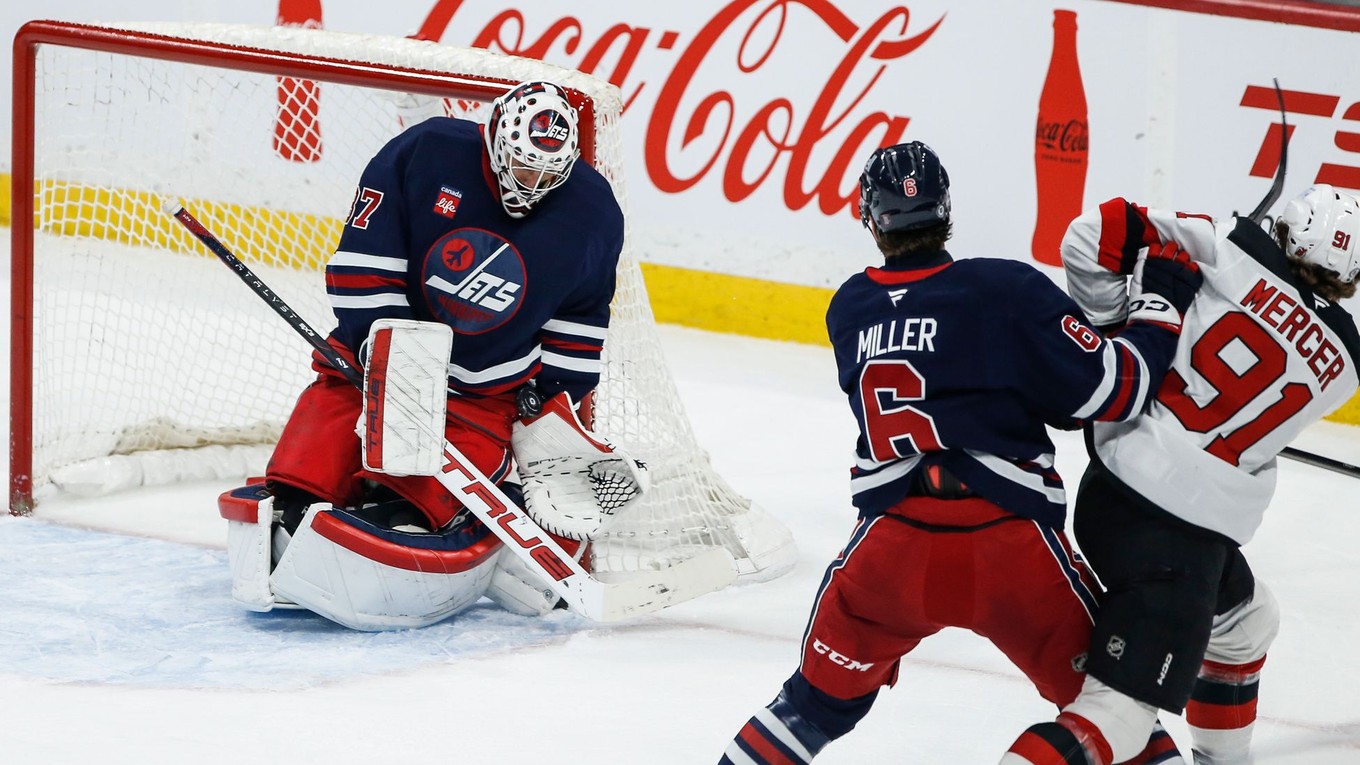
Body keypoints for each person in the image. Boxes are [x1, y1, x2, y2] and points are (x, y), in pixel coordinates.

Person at [716, 141, 1199, 764]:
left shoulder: (849, 310)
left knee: (810, 707)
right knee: (1114, 714)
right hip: (1010, 549)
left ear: (870, 217)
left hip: (891, 553)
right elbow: (1114, 389)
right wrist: (1160, 306)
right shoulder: (1004, 288)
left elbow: (945, 365)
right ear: (946, 211)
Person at [218, 80, 639, 630]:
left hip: (485, 390)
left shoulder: (593, 212)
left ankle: (412, 513)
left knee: (422, 495)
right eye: (521, 166)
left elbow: (581, 319)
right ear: (494, 139)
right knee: (311, 459)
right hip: (375, 362)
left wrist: (551, 397)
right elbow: (365, 262)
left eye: (545, 175)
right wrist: (388, 355)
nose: (530, 185)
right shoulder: (425, 152)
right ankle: (302, 512)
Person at [999, 185, 1360, 765]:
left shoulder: (1222, 250)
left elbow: (1090, 232)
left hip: (1123, 495)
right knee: (1117, 716)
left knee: (1246, 620)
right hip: (1179, 538)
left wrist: (1115, 332)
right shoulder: (1344, 364)